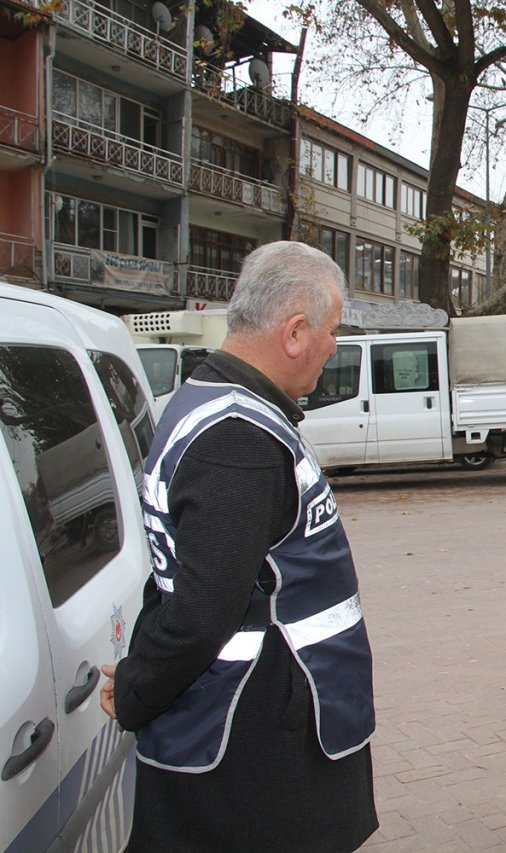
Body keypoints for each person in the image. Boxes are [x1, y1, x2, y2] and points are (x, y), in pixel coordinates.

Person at [99, 241, 377, 852]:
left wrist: (141, 671)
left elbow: (180, 572)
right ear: (296, 331)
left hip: (262, 729)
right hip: (252, 748)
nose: (334, 347)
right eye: (331, 331)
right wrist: (140, 688)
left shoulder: (222, 404)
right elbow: (203, 611)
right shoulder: (237, 439)